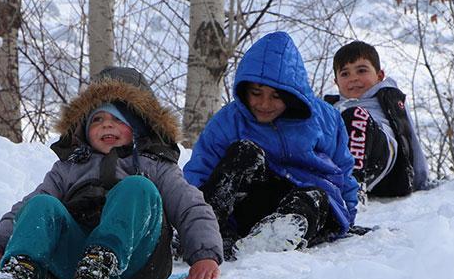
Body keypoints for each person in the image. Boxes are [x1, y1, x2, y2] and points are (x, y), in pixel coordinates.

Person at [0, 67, 223, 279]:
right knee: (42, 203)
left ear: (139, 127)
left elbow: (191, 207)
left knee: (137, 187)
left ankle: (100, 261)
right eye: (97, 119)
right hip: (72, 271)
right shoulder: (69, 168)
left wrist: (205, 255)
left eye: (118, 119)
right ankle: (20, 275)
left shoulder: (155, 165)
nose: (106, 125)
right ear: (84, 128)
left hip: (138, 264)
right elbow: (27, 210)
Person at [183, 31, 359, 261]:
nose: (264, 104)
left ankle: (275, 237)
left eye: (276, 96)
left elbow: (343, 168)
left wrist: (348, 215)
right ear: (245, 90)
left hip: (313, 206)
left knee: (314, 197)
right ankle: (208, 230)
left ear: (293, 95)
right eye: (256, 93)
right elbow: (200, 170)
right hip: (257, 202)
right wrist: (188, 219)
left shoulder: (324, 118)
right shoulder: (229, 121)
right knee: (245, 152)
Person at [324, 41, 430, 198]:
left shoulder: (388, 97)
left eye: (361, 70)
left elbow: (409, 135)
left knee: (356, 116)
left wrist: (421, 180)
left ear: (379, 76)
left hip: (387, 167)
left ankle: (353, 186)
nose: (353, 78)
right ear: (336, 82)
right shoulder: (329, 108)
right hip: (339, 168)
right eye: (345, 74)